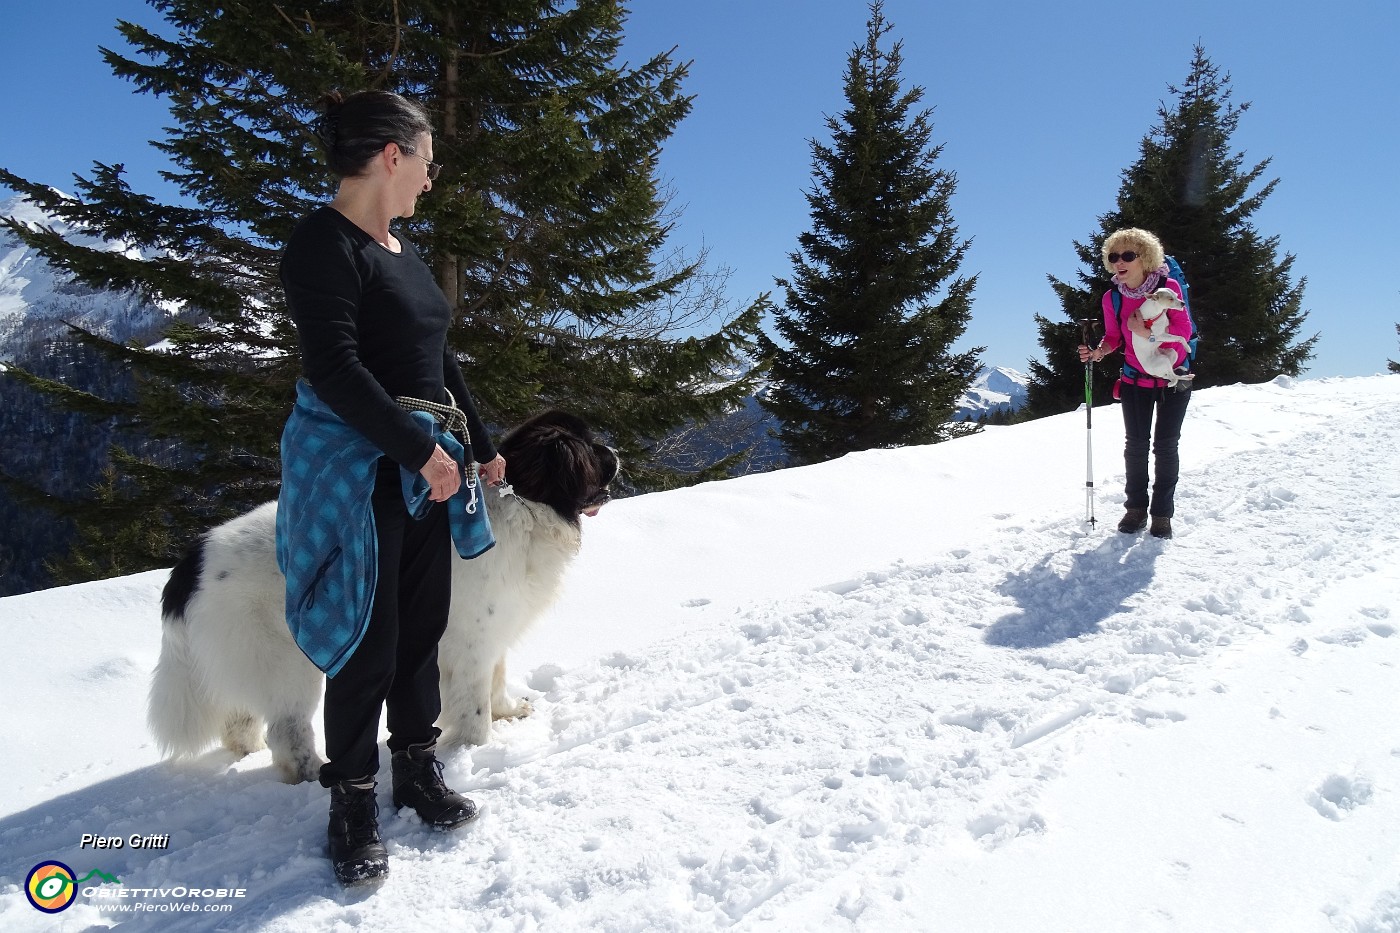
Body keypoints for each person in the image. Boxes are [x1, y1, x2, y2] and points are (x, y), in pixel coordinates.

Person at [279, 89, 506, 886]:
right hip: (363, 472)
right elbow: (335, 371)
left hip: (425, 468)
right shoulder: (323, 245)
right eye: (428, 162)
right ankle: (352, 799)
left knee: (420, 624)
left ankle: (415, 766)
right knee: (367, 640)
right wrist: (417, 451)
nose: (431, 180)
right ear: (391, 157)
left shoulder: (402, 252)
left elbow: (439, 363)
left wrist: (478, 444)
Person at [1077, 228, 1192, 539]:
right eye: (1114, 257)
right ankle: (1136, 509)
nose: (1119, 263)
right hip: (1133, 380)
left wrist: (1147, 336)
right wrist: (1098, 351)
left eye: (1128, 255)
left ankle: (1162, 514)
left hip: (1173, 380)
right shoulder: (1112, 297)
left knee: (1166, 447)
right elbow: (1114, 337)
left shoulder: (1169, 288)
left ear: (1146, 258)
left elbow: (1184, 332)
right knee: (1136, 447)